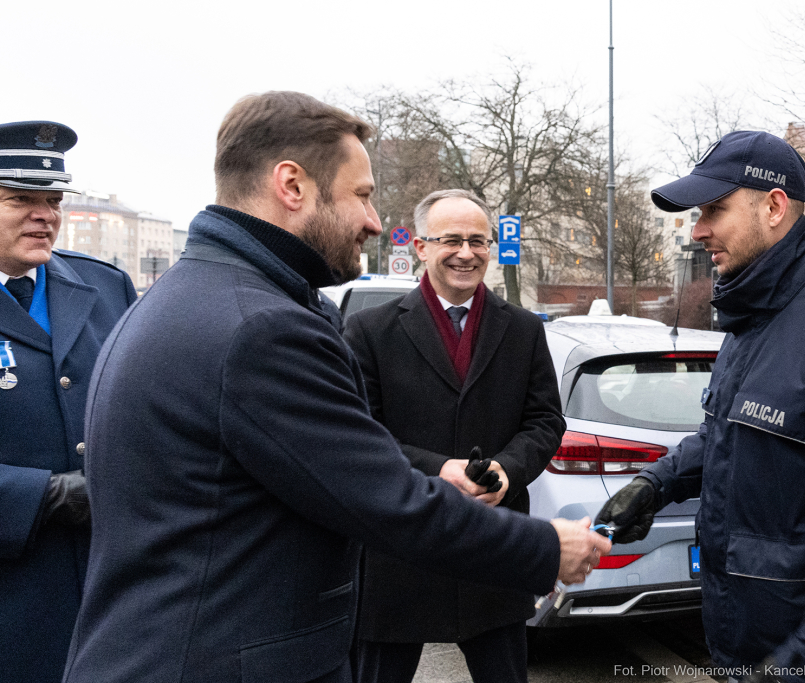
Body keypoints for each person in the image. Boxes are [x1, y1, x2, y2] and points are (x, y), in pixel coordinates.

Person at [61, 92, 610, 683]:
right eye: (363, 196)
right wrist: (546, 547)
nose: (375, 223)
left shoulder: (201, 296)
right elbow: (382, 496)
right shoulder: (260, 328)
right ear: (292, 185)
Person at [596, 131, 805, 683]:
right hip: (744, 646)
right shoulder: (750, 320)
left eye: (714, 209)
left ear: (774, 206)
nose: (698, 229)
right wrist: (655, 485)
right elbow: (727, 438)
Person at [344, 189, 565, 683]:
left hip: (493, 551)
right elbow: (360, 434)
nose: (467, 253)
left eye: (478, 241)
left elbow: (546, 420)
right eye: (451, 240)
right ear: (421, 247)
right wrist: (438, 470)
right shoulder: (368, 331)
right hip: (400, 552)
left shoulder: (524, 329)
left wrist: (508, 470)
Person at [0, 121, 137, 683]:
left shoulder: (105, 286)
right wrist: (46, 495)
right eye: (21, 200)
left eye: (53, 200)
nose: (46, 215)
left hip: (109, 587)